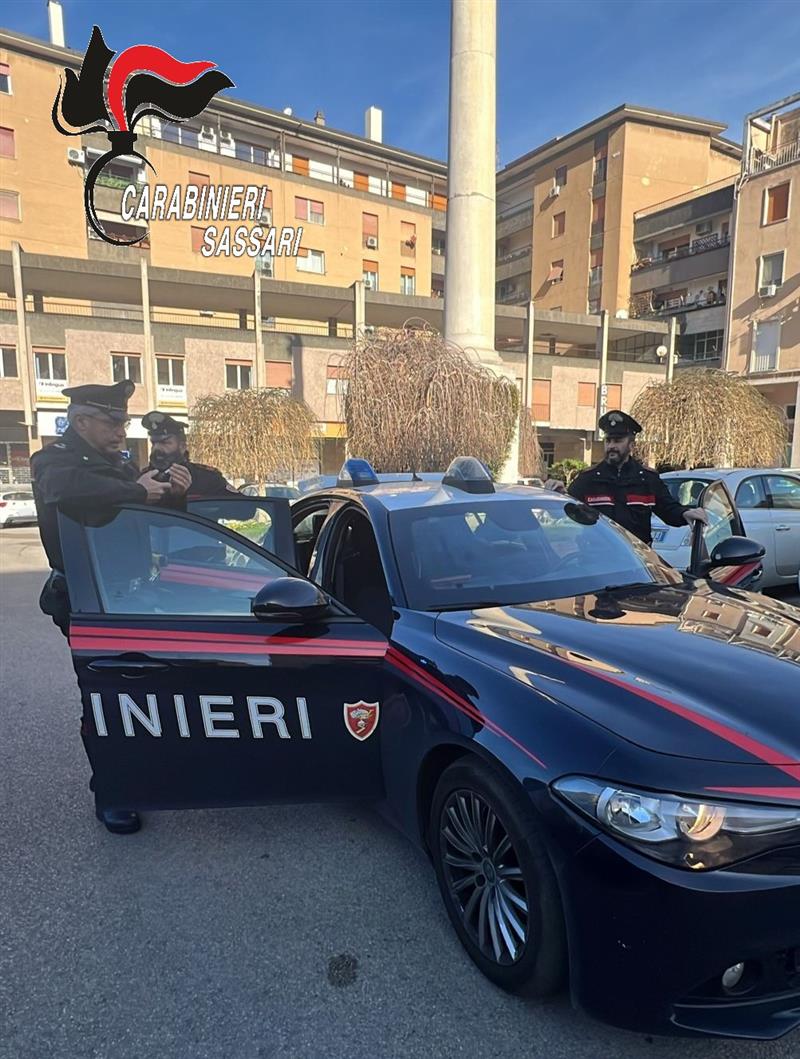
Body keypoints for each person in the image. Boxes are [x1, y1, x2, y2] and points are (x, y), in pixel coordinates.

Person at [30, 380, 192, 835]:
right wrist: (140, 492)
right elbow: (68, 489)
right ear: (82, 421)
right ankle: (114, 791)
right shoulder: (54, 462)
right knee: (104, 699)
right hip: (88, 602)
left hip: (134, 597)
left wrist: (173, 491)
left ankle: (146, 768)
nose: (122, 431)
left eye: (122, 421)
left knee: (142, 694)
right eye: (113, 421)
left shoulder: (117, 467)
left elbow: (137, 518)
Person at [549, 410, 707, 546]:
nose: (611, 446)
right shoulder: (588, 478)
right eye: (608, 441)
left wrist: (686, 513)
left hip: (637, 562)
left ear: (631, 445)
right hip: (596, 560)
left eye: (618, 441)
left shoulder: (647, 478)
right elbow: (568, 512)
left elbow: (669, 510)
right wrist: (559, 495)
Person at [141, 411, 235, 498]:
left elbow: (241, 509)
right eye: (154, 443)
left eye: (164, 442)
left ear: (182, 446)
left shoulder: (207, 478)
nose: (157, 448)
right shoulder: (143, 480)